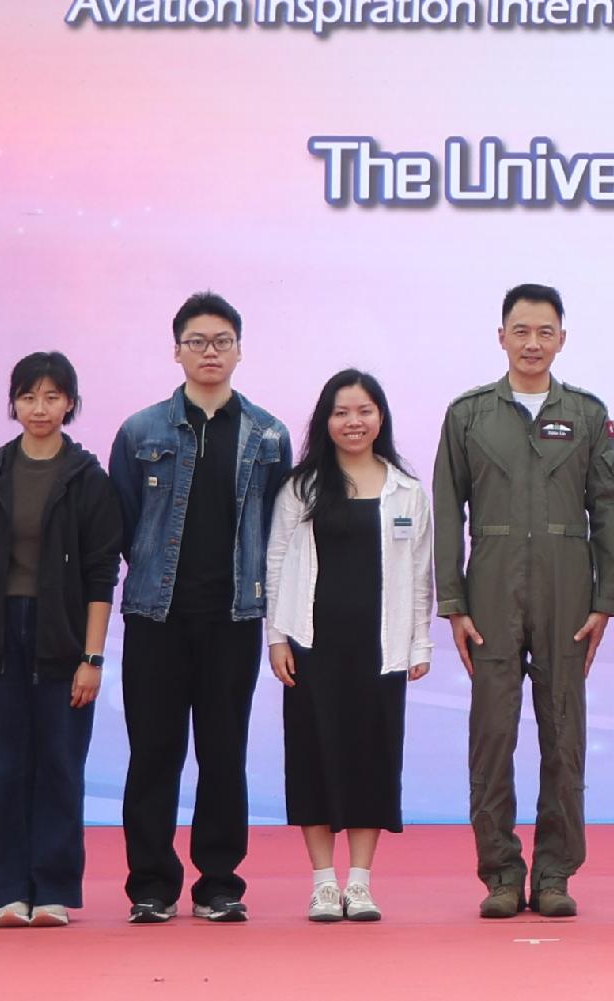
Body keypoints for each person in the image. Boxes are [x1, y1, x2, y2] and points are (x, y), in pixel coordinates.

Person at [430, 283, 614, 920]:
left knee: (564, 733)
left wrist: (606, 601)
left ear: (561, 339)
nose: (533, 343)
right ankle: (499, 873)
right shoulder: (469, 415)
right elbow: (445, 507)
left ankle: (553, 875)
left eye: (545, 332)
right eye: (521, 331)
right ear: (501, 336)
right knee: (491, 735)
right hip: (489, 589)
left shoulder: (589, 414)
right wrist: (454, 602)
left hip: (568, 591)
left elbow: (608, 511)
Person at [109, 292, 292, 924]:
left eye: (221, 342)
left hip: (233, 619)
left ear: (239, 349)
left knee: (223, 752)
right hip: (155, 619)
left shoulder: (268, 435)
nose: (209, 352)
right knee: (153, 751)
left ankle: (219, 882)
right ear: (177, 350)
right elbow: (121, 528)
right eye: (197, 342)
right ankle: (151, 885)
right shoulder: (141, 431)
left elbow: (276, 533)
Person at [0, 351, 126, 928]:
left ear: (71, 402)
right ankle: (4, 889)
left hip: (64, 639)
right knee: (0, 768)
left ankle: (52, 889)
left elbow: (103, 575)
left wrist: (92, 657)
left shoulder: (88, 478)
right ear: (14, 403)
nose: (39, 408)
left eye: (52, 397)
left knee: (59, 765)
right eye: (28, 396)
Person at [265, 370, 437, 924]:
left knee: (373, 758)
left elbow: (420, 573)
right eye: (341, 413)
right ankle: (321, 883)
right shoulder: (302, 488)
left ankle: (359, 884)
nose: (353, 422)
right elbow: (274, 562)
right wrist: (276, 637)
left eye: (363, 411)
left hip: (379, 647)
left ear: (380, 417)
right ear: (326, 421)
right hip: (312, 645)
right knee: (313, 758)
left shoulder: (406, 490)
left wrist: (419, 643)